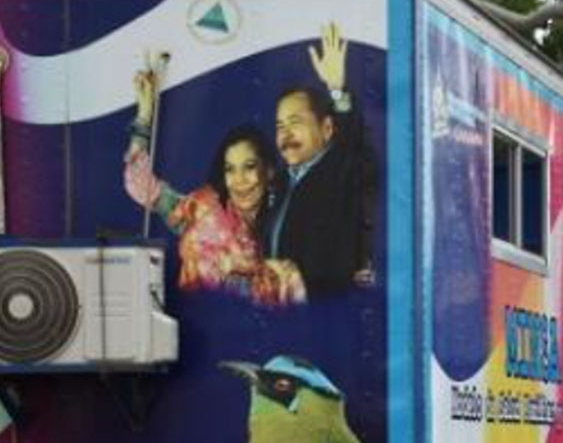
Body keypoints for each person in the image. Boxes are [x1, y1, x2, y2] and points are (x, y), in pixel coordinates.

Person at [124, 68, 305, 305]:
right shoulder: (203, 211)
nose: (239, 180)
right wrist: (144, 117)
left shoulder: (286, 221)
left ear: (268, 171)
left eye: (249, 166)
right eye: (230, 169)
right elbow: (140, 185)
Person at [264, 22, 379, 299]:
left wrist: (337, 90)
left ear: (327, 129)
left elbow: (354, 149)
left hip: (323, 316)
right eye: (280, 127)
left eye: (295, 123)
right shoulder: (279, 183)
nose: (286, 134)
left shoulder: (341, 172)